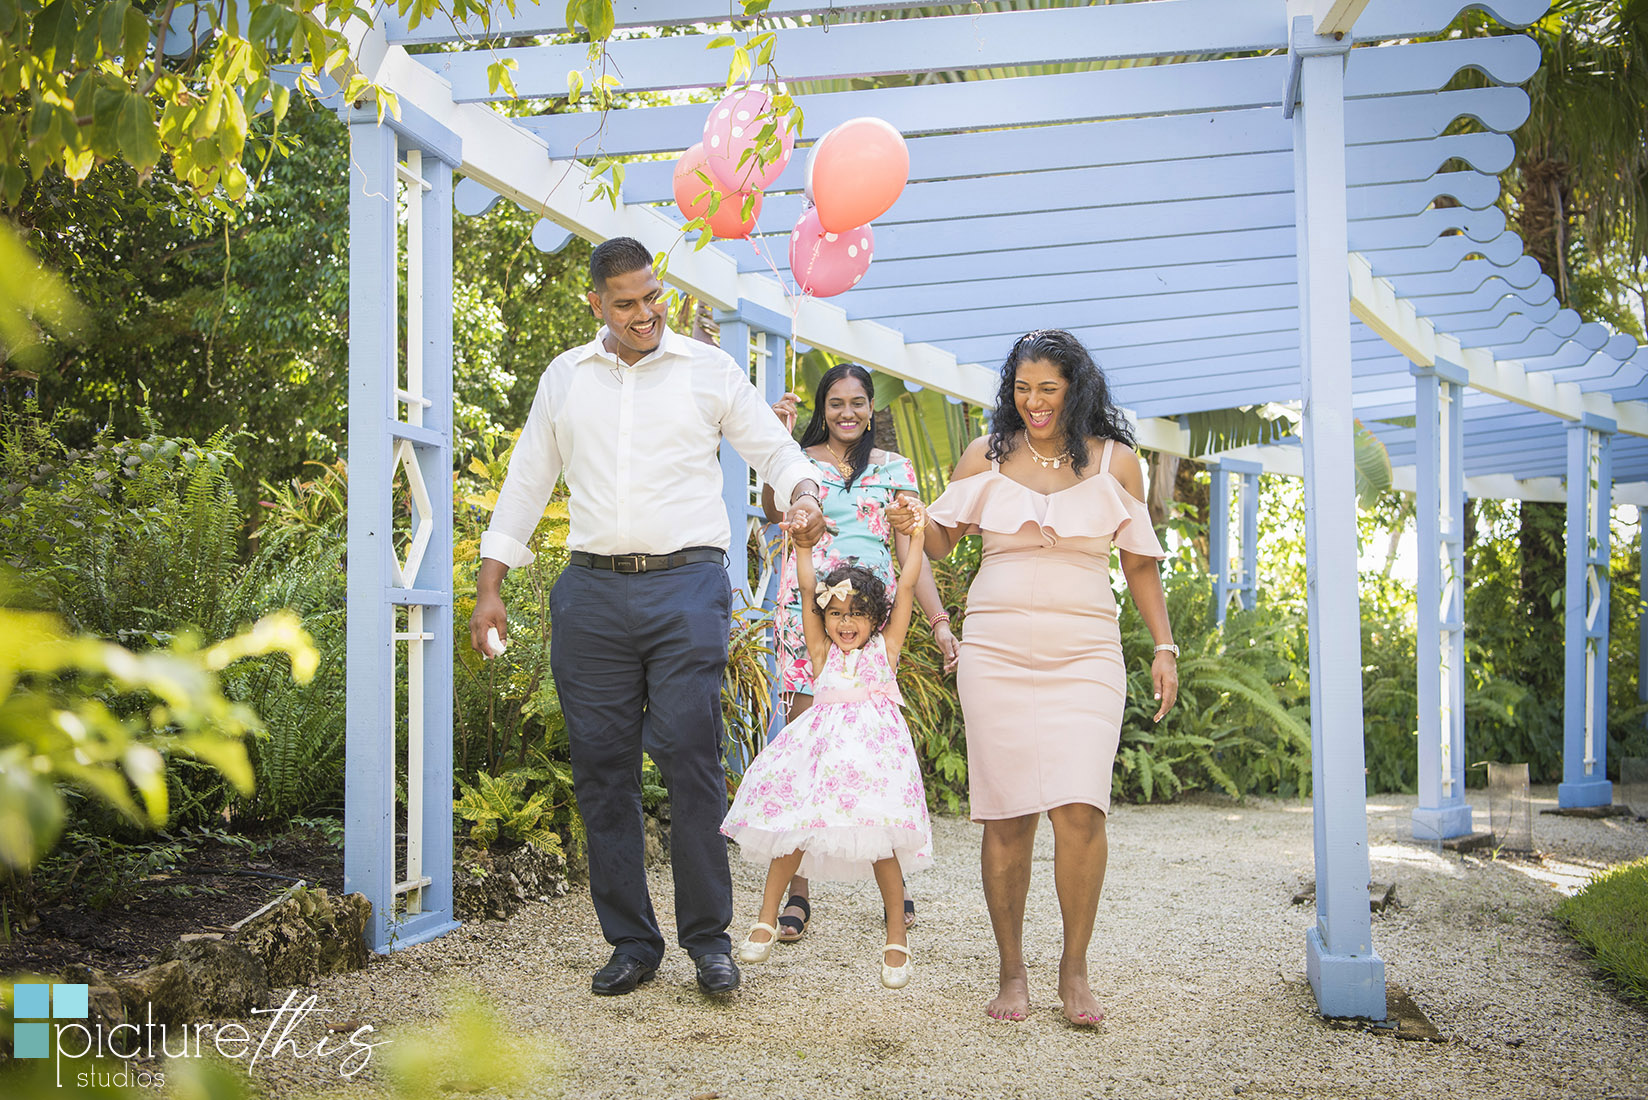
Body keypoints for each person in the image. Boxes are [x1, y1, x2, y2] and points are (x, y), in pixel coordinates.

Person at [468, 236, 826, 998]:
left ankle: (708, 940)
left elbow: (776, 449)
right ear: (595, 302)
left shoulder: (709, 370)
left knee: (691, 756)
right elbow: (528, 478)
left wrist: (803, 496)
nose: (645, 314)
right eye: (626, 302)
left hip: (687, 585)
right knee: (602, 772)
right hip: (590, 594)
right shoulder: (565, 377)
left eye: (652, 297)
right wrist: (489, 582)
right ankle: (632, 941)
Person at [891, 328, 1179, 1026]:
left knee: (1081, 807)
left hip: (1086, 652)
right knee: (1009, 810)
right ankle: (1011, 972)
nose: (1034, 402)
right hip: (995, 651)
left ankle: (1074, 971)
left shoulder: (1118, 462)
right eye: (1022, 389)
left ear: (1075, 388)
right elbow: (938, 538)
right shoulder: (984, 456)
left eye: (1047, 388)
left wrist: (1164, 645)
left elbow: (1139, 561)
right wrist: (911, 518)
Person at [758, 363, 959, 941]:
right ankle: (798, 893)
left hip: (870, 621)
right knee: (806, 744)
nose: (848, 413)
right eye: (836, 403)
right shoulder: (801, 461)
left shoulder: (894, 469)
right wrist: (778, 440)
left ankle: (892, 881)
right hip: (808, 615)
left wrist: (940, 622)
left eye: (858, 402)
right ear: (823, 407)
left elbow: (909, 549)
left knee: (874, 747)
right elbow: (777, 511)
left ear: (873, 408)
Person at [721, 504, 934, 989]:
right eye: (836, 613)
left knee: (881, 844)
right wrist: (801, 548)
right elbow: (802, 590)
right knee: (793, 831)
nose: (845, 623)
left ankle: (896, 937)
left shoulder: (886, 649)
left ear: (876, 618)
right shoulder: (821, 654)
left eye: (857, 614)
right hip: (821, 756)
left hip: (874, 761)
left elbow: (905, 587)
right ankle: (766, 917)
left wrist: (916, 539)